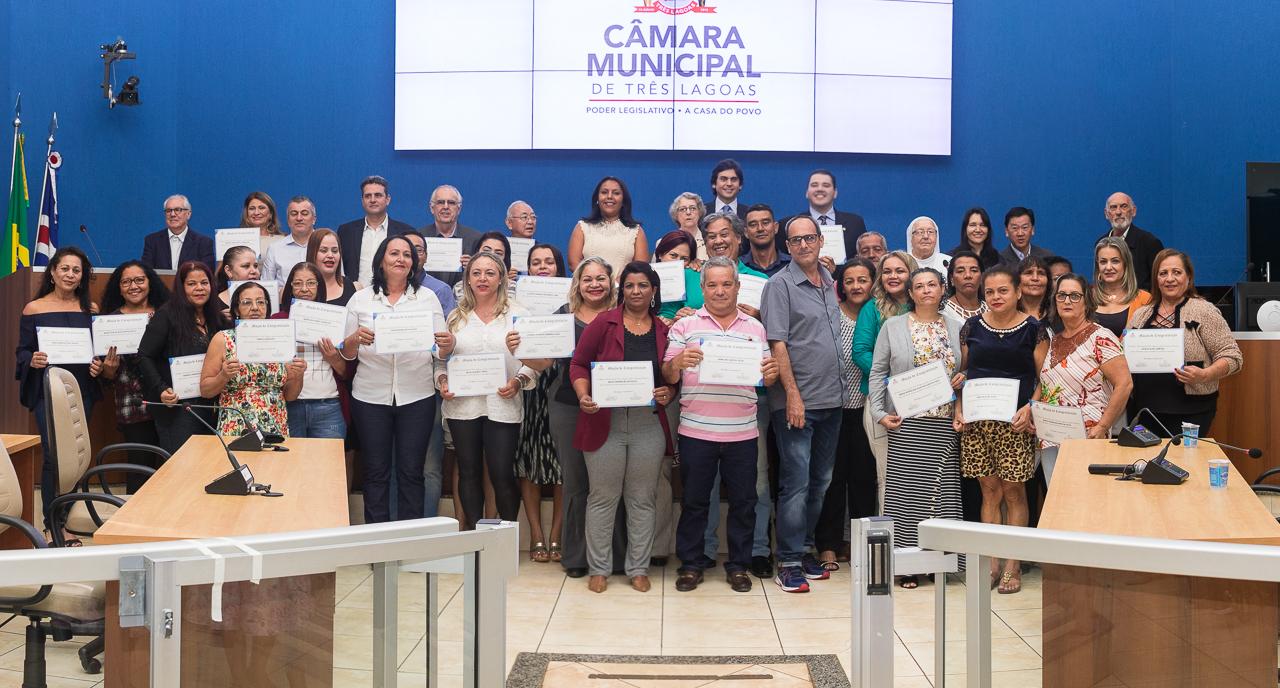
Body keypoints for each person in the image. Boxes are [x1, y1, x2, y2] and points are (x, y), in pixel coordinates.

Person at [663, 257, 778, 593]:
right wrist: (677, 362)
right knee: (694, 501)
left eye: (727, 284)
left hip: (742, 431)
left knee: (744, 502)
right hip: (696, 429)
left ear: (738, 287)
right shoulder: (685, 326)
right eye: (712, 285)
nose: (720, 291)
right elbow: (668, 374)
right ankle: (690, 564)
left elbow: (766, 376)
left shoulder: (755, 328)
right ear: (702, 289)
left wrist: (771, 374)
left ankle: (739, 565)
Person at [570, 261, 676, 593]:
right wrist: (583, 395)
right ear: (621, 290)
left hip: (648, 424)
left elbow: (672, 379)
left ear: (654, 290)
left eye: (643, 285)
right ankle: (599, 568)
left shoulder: (664, 330)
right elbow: (578, 364)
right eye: (629, 285)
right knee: (603, 497)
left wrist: (669, 392)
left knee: (643, 498)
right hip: (605, 421)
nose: (635, 291)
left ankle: (638, 568)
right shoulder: (604, 323)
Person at [760, 216, 845, 593]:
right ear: (787, 246)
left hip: (832, 399)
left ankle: (805, 547)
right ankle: (789, 560)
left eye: (809, 238)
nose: (804, 245)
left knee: (820, 481)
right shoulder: (779, 285)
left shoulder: (828, 281)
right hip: (797, 402)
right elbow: (777, 343)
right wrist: (792, 394)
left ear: (821, 240)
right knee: (795, 483)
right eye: (795, 240)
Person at [435, 252, 550, 530]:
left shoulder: (519, 315)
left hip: (503, 404)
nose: (482, 278)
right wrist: (443, 382)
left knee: (501, 473)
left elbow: (535, 363)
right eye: (476, 273)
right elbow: (439, 362)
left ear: (501, 279)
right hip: (462, 407)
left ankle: (506, 537)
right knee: (469, 472)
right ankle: (477, 537)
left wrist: (519, 381)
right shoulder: (456, 318)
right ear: (468, 279)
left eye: (490, 273)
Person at [869, 268, 965, 588]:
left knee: (941, 495)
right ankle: (906, 565)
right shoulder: (893, 326)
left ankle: (940, 563)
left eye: (932, 285)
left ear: (942, 289)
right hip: (907, 423)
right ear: (910, 293)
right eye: (919, 286)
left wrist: (964, 378)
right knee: (906, 495)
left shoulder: (957, 327)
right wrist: (879, 412)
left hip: (943, 423)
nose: (926, 290)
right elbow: (877, 371)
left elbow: (966, 370)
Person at [956, 266, 1049, 594]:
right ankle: (992, 561)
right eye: (990, 292)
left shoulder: (1034, 330)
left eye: (1003, 291)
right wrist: (959, 408)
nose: (996, 297)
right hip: (978, 423)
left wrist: (1031, 407)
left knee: (1014, 493)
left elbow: (1044, 378)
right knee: (989, 492)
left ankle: (1013, 564)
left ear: (1018, 292)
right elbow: (964, 374)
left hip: (1015, 423)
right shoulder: (971, 327)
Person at [342, 236, 448, 523]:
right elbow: (347, 353)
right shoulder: (360, 300)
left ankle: (410, 538)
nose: (401, 259)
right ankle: (378, 539)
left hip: (417, 396)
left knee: (411, 472)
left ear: (413, 263)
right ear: (381, 260)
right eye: (394, 253)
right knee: (375, 472)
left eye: (407, 255)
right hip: (370, 397)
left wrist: (448, 344)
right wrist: (354, 339)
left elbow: (440, 349)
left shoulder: (427, 298)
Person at [16, 247, 104, 539]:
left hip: (82, 389)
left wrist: (98, 365)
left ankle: (65, 518)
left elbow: (98, 353)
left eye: (76, 270)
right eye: (64, 268)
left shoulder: (91, 310)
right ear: (52, 272)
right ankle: (52, 525)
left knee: (75, 457)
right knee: (54, 455)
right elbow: (22, 351)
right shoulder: (34, 308)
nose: (70, 274)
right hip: (48, 391)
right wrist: (32, 359)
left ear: (82, 276)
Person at [552, 257, 620, 578]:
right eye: (587, 279)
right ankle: (577, 557)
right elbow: (541, 362)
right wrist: (520, 348)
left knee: (611, 483)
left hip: (616, 407)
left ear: (611, 282)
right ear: (577, 284)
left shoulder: (624, 314)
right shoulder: (562, 317)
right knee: (576, 481)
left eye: (600, 278)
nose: (594, 284)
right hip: (568, 406)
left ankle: (613, 557)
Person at [1127, 249, 1243, 436]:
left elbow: (1232, 357)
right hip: (1144, 411)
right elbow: (1125, 356)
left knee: (1183, 456)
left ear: (1188, 277)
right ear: (1156, 279)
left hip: (1192, 412)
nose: (1169, 279)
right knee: (1147, 456)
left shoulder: (1204, 311)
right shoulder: (1141, 314)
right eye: (1163, 273)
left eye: (1177, 272)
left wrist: (1205, 375)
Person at [1035, 273, 1132, 482]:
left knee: (1086, 496)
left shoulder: (1101, 337)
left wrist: (1103, 426)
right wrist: (1031, 409)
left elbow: (1124, 384)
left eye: (1074, 296)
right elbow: (1047, 385)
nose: (1067, 301)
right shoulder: (1054, 341)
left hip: (1088, 436)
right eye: (1061, 295)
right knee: (1056, 497)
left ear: (1086, 301)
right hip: (1051, 437)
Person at [815, 257, 878, 570]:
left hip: (867, 409)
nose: (856, 286)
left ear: (873, 283)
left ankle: (860, 544)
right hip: (833, 409)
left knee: (864, 479)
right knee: (832, 479)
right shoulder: (832, 315)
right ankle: (828, 544)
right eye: (850, 280)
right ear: (841, 285)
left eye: (862, 280)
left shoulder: (879, 315)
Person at [137, 261, 229, 454]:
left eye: (204, 283)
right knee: (183, 466)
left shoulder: (218, 318)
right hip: (179, 408)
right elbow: (144, 355)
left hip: (213, 405)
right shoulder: (166, 315)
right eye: (191, 284)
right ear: (181, 287)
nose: (199, 288)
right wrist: (161, 389)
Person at [97, 260, 171, 493]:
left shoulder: (167, 315)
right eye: (126, 282)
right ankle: (135, 515)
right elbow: (106, 376)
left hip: (168, 399)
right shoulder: (109, 322)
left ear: (150, 282)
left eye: (139, 280)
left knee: (172, 466)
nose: (134, 286)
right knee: (140, 467)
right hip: (133, 404)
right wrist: (108, 369)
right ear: (119, 288)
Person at [852, 251, 918, 508]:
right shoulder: (872, 308)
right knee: (888, 476)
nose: (893, 276)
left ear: (912, 274)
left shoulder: (924, 306)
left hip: (921, 400)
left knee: (918, 475)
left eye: (900, 271)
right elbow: (861, 352)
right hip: (882, 401)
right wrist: (894, 379)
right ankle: (893, 532)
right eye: (887, 271)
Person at [516, 244, 568, 562]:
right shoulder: (518, 303)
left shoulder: (572, 302)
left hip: (563, 385)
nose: (543, 267)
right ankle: (536, 533)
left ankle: (557, 534)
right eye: (536, 263)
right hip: (529, 384)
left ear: (559, 267)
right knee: (529, 456)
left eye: (549, 262)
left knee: (562, 461)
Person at [199, 282, 304, 436]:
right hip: (236, 426)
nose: (255, 307)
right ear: (236, 309)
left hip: (275, 426)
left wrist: (298, 376)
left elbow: (290, 396)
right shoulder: (223, 339)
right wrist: (223, 375)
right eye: (247, 302)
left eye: (261, 302)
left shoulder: (281, 338)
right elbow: (205, 391)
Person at [276, 262, 349, 439]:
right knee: (290, 458)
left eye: (310, 283)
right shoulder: (278, 320)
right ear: (290, 287)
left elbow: (346, 373)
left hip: (328, 405)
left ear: (319, 286)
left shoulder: (335, 319)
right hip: (288, 405)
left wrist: (333, 358)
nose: (304, 289)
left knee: (328, 458)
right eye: (298, 283)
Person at [659, 212, 768, 321]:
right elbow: (666, 317)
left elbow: (775, 321)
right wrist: (677, 318)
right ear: (705, 243)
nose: (718, 241)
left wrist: (761, 317)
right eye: (712, 237)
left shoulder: (761, 280)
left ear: (738, 238)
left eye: (724, 235)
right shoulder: (687, 275)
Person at [336, 175, 414, 287]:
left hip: (393, 293)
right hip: (355, 294)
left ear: (388, 199)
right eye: (368, 196)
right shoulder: (346, 232)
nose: (372, 200)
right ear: (362, 201)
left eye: (378, 195)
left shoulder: (405, 232)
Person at [567, 176, 650, 272]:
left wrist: (618, 281)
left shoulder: (636, 231)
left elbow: (640, 268)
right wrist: (596, 279)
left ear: (623, 200)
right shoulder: (582, 227)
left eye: (616, 193)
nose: (609, 196)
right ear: (597, 198)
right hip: (590, 281)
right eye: (604, 192)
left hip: (623, 282)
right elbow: (574, 263)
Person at [784, 169, 866, 259]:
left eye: (826, 185)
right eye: (814, 185)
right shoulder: (791, 224)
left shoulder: (855, 223)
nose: (820, 189)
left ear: (835, 193)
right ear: (807, 192)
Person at [421, 184, 482, 287]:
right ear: (432, 208)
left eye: (451, 203)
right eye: (440, 202)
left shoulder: (476, 239)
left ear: (459, 209)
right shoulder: (419, 237)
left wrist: (474, 266)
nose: (446, 207)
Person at [1099, 192, 1163, 288]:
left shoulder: (1149, 243)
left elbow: (1158, 282)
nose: (1118, 212)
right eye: (1113, 207)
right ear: (1106, 214)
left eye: (1124, 206)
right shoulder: (1100, 243)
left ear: (1133, 211)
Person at [1092, 236, 1152, 339]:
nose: (1108, 267)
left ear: (1126, 264)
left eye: (1115, 261)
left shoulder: (1145, 300)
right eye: (1103, 262)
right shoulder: (1086, 298)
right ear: (1098, 266)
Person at [140, 194, 216, 271]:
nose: (172, 214)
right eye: (168, 211)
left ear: (188, 214)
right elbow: (146, 272)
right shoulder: (152, 241)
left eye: (178, 210)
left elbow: (207, 274)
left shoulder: (204, 243)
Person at [260, 195, 318, 283]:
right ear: (288, 220)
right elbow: (266, 284)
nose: (299, 218)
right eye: (294, 214)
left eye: (304, 213)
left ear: (314, 219)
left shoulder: (325, 245)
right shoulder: (275, 249)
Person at [401, 230, 459, 315]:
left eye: (418, 250)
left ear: (426, 256)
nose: (413, 255)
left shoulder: (440, 290)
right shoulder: (383, 288)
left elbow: (450, 323)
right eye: (406, 251)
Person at [306, 228, 361, 307]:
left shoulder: (356, 288)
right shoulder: (299, 288)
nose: (330, 255)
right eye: (323, 250)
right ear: (312, 253)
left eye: (335, 251)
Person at [741, 204, 790, 276]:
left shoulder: (792, 265)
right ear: (746, 232)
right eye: (753, 224)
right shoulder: (738, 267)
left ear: (775, 227)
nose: (760, 228)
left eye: (765, 223)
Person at [215, 245, 262, 314]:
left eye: (255, 266)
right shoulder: (214, 305)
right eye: (246, 266)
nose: (254, 271)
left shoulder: (268, 298)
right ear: (229, 271)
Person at [943, 250, 986, 323]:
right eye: (960, 271)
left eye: (974, 270)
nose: (968, 275)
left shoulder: (992, 308)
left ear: (981, 277)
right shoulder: (943, 312)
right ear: (951, 279)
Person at [668, 191, 708, 261]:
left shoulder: (709, 241)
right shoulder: (665, 242)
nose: (688, 212)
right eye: (683, 209)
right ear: (676, 215)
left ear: (700, 212)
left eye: (693, 208)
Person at [1017, 255, 1052, 322]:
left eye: (1041, 273)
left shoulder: (1059, 314)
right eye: (1028, 273)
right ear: (1017, 280)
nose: (1035, 278)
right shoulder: (1007, 313)